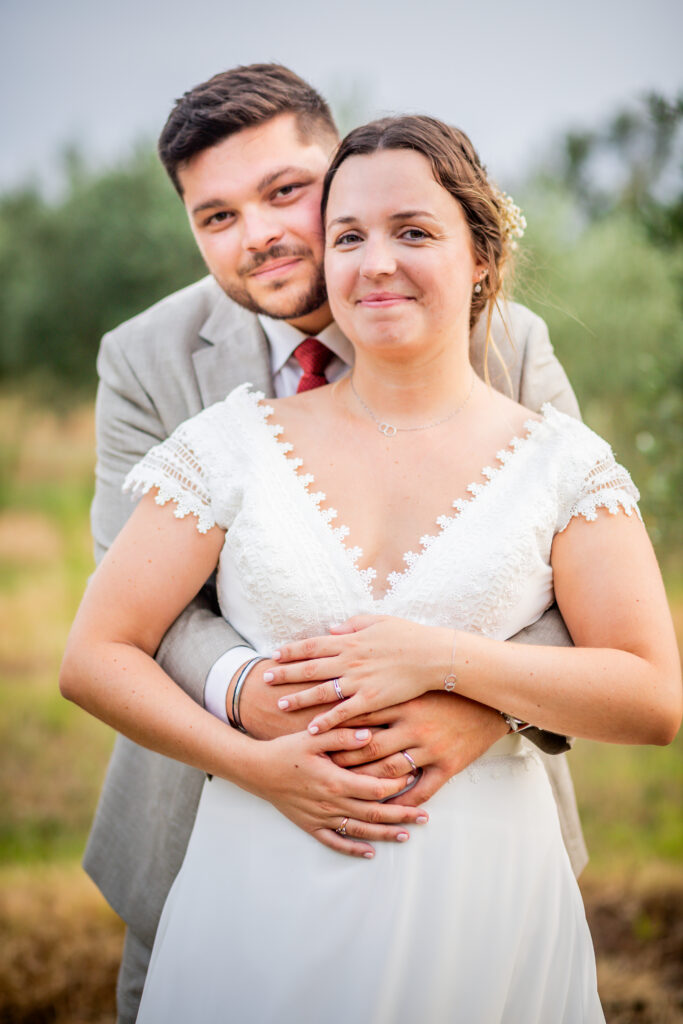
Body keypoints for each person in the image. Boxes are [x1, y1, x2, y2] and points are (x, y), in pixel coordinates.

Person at [61, 113, 681, 1022]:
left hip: (482, 896)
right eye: (347, 237)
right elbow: (96, 654)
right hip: (252, 889)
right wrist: (255, 764)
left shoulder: (565, 463)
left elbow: (651, 697)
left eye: (415, 233)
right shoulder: (228, 442)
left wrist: (446, 664)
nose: (374, 262)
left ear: (482, 257)